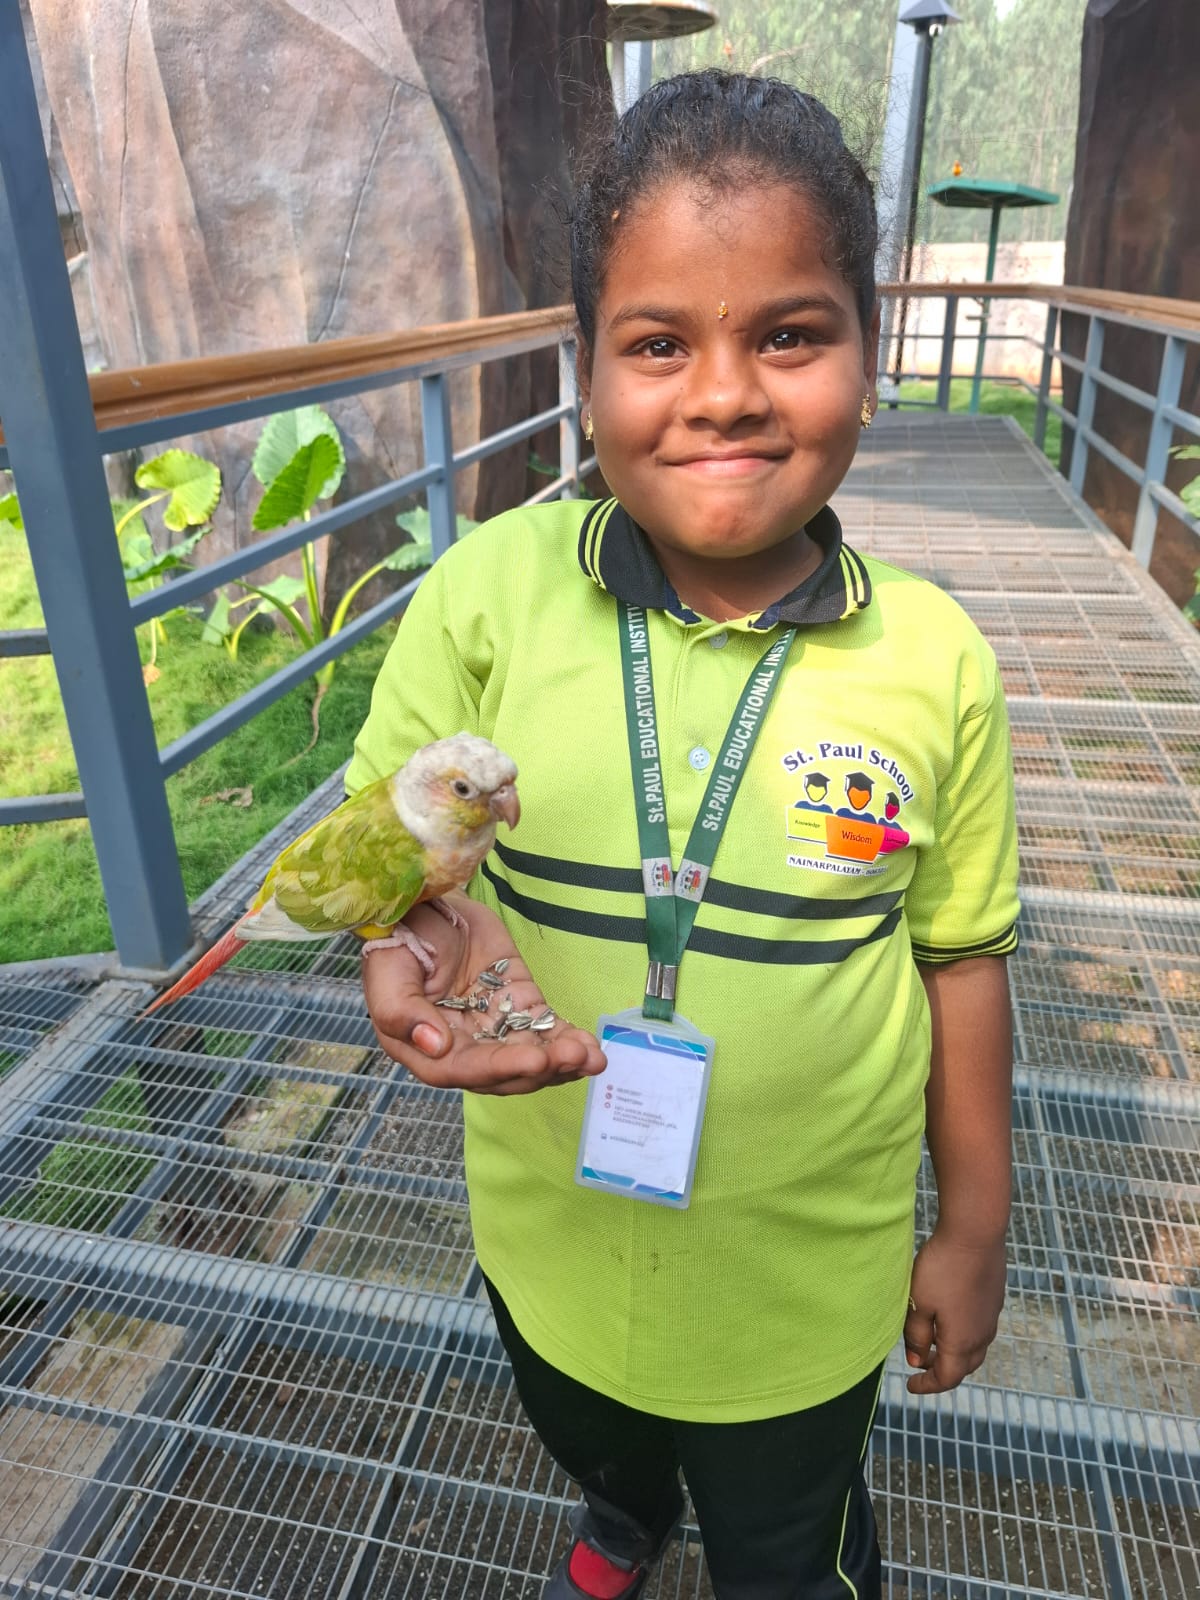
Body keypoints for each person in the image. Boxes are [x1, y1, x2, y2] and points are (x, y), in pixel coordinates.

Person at [349, 70, 1018, 1600]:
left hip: (807, 1282)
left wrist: (975, 1227)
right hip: (550, 1234)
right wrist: (404, 930)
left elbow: (964, 962)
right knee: (586, 1428)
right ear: (587, 371)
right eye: (658, 344)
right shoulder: (488, 596)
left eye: (789, 334)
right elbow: (391, 833)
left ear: (871, 351)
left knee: (790, 1544)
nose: (724, 395)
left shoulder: (936, 661)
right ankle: (625, 1510)